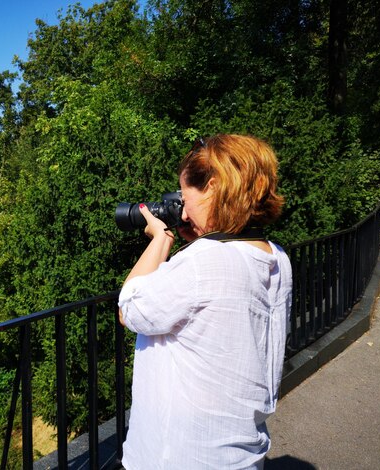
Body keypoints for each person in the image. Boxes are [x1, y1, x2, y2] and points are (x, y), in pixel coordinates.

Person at [118, 133, 293, 469]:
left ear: (212, 186)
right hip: (239, 453)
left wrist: (161, 238)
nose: (183, 210)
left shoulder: (205, 262)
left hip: (182, 456)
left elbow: (130, 308)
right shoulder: (277, 257)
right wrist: (202, 237)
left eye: (185, 196)